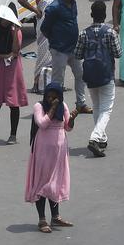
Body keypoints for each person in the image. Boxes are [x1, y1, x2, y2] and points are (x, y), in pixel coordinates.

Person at [25, 82, 74, 233]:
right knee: (42, 181)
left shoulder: (63, 106)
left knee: (56, 181)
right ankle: (42, 220)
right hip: (43, 148)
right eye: (49, 96)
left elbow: (68, 127)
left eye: (55, 97)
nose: (52, 99)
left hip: (59, 149)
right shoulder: (39, 107)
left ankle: (55, 217)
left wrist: (72, 118)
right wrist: (52, 108)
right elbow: (42, 123)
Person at [74, 1, 120, 157]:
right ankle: (95, 138)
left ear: (91, 15)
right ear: (105, 15)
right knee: (106, 109)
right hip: (106, 75)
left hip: (90, 76)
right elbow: (118, 53)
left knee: (97, 106)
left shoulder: (83, 33)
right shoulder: (110, 32)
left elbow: (78, 55)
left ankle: (101, 139)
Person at [42, 0, 90, 114]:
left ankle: (81, 104)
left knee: (80, 75)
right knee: (58, 81)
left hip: (74, 48)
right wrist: (56, 42)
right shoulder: (54, 8)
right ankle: (56, 108)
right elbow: (45, 29)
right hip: (59, 50)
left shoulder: (73, 3)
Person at [0, 6, 28, 145]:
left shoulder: (16, 33)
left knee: (14, 103)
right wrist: (4, 56)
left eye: (9, 20)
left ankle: (13, 135)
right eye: (4, 20)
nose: (6, 23)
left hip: (13, 71)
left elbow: (16, 50)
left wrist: (16, 31)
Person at [17, 0, 60, 93]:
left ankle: (51, 83)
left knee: (55, 54)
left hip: (56, 23)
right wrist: (35, 10)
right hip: (43, 24)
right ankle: (37, 82)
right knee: (43, 54)